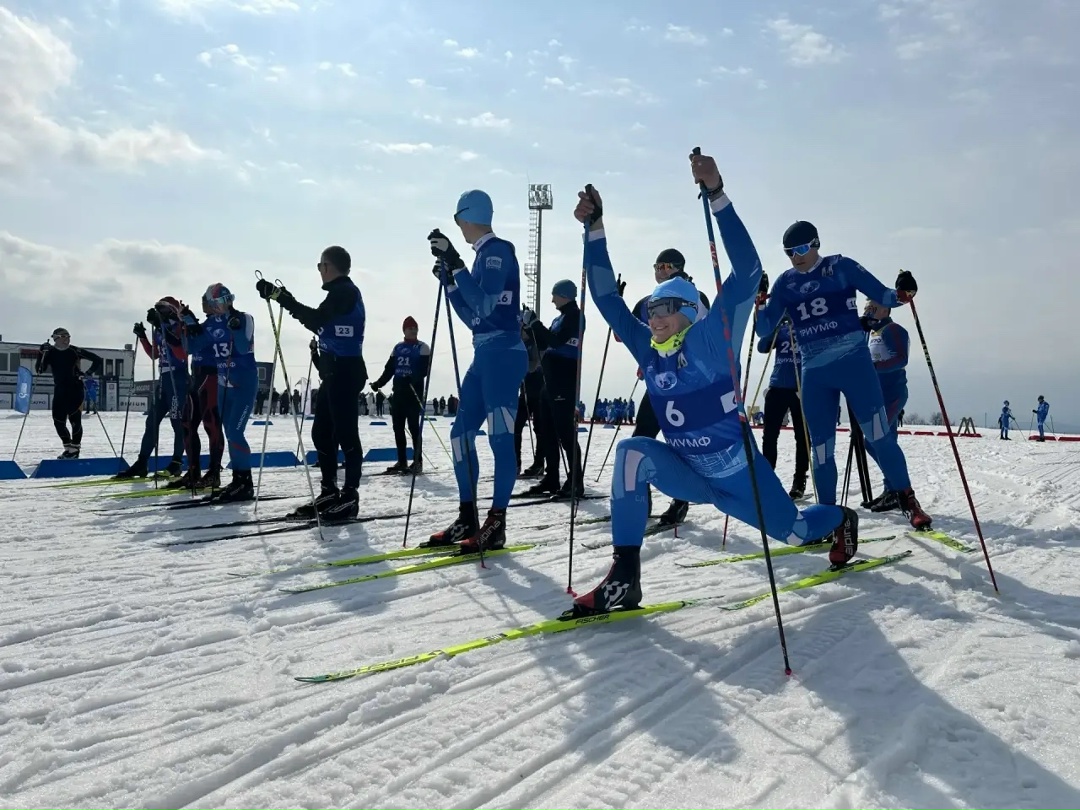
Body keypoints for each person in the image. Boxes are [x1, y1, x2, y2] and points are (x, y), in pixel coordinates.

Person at [567, 155, 862, 616]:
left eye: (665, 309)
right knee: (632, 453)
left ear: (690, 312)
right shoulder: (649, 349)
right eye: (651, 311)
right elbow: (606, 298)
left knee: (796, 532)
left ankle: (842, 518)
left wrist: (717, 193)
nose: (654, 318)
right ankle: (625, 578)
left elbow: (747, 272)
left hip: (739, 477)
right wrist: (595, 229)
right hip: (691, 472)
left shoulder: (712, 338)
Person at [755, 221, 931, 530]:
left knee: (879, 436)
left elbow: (884, 295)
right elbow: (763, 328)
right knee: (821, 449)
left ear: (815, 244)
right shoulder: (785, 283)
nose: (796, 257)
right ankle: (828, 517)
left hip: (855, 366)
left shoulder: (840, 267)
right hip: (814, 374)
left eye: (801, 249)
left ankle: (907, 499)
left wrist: (905, 292)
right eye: (789, 252)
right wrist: (758, 301)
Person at [426, 189, 528, 552]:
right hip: (484, 353)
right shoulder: (481, 257)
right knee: (460, 435)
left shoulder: (497, 251)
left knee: (500, 439)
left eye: (458, 220)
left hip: (504, 354)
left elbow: (484, 305)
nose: (458, 227)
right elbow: (473, 318)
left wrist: (456, 265)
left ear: (467, 217)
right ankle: (467, 515)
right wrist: (451, 284)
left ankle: (496, 522)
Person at [256, 246, 367, 522]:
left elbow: (316, 319)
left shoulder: (345, 292)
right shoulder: (339, 293)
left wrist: (282, 298)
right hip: (333, 372)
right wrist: (284, 299)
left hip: (345, 372)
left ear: (328, 267)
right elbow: (319, 321)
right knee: (322, 433)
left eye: (320, 266)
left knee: (346, 435)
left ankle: (350, 496)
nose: (319, 271)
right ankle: (329, 491)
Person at [625, 248, 712, 527]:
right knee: (641, 437)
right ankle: (640, 500)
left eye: (665, 266)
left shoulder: (697, 297)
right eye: (657, 266)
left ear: (679, 267)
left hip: (688, 386)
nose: (660, 271)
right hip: (659, 384)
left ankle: (680, 501)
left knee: (683, 445)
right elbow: (624, 334)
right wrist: (619, 305)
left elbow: (708, 337)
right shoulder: (649, 301)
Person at [181, 284, 258, 501]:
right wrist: (188, 324)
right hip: (224, 384)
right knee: (229, 432)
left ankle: (245, 482)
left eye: (226, 300)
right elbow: (190, 348)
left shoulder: (244, 318)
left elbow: (242, 347)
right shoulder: (211, 324)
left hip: (243, 383)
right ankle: (237, 480)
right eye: (218, 302)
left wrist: (235, 328)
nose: (223, 306)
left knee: (235, 431)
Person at [519, 279, 585, 497]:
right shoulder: (560, 318)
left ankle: (575, 481)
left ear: (564, 295)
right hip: (550, 379)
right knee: (546, 430)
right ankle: (551, 477)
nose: (552, 300)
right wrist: (529, 326)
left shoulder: (575, 315)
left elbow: (557, 341)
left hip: (564, 378)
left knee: (565, 432)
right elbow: (545, 343)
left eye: (554, 295)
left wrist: (536, 323)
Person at [115, 298, 189, 479]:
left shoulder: (180, 326)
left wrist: (163, 330)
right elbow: (154, 354)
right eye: (157, 310)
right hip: (163, 379)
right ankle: (142, 463)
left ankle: (177, 463)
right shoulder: (159, 328)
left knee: (177, 422)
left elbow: (181, 353)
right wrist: (142, 336)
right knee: (152, 421)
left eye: (162, 310)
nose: (159, 313)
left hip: (178, 378)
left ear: (172, 310)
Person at [168, 293, 225, 490]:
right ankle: (193, 471)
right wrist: (171, 328)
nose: (203, 304)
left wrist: (190, 320)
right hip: (197, 376)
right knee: (187, 423)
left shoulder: (218, 323)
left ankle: (214, 473)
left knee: (211, 424)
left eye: (205, 301)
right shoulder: (205, 323)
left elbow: (204, 338)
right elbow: (186, 347)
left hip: (212, 375)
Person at [859, 299, 909, 512]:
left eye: (874, 307)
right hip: (875, 395)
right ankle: (892, 489)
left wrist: (873, 367)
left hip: (892, 393)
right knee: (882, 441)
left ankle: (898, 488)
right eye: (866, 307)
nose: (869, 310)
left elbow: (901, 359)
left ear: (886, 309)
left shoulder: (892, 329)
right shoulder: (870, 333)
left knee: (875, 440)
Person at [757, 317, 809, 499]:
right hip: (777, 386)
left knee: (802, 437)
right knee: (769, 436)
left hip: (801, 388)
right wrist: (775, 325)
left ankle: (799, 480)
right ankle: (767, 479)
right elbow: (762, 347)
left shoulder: (809, 325)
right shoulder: (782, 328)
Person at [371, 315, 430, 474]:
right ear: (404, 330)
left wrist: (413, 378)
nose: (413, 330)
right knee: (398, 428)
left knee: (414, 428)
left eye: (415, 328)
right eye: (410, 328)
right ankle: (402, 461)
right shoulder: (397, 348)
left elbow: (425, 369)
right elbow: (389, 369)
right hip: (398, 393)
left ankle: (417, 462)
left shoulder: (422, 347)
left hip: (413, 393)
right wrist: (379, 383)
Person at [35, 328, 104, 459]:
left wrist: (88, 373)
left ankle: (75, 450)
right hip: (60, 390)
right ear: (55, 338)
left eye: (68, 336)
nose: (67, 339)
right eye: (63, 336)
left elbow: (97, 360)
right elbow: (39, 370)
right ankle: (68, 448)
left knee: (75, 420)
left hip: (75, 389)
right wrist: (41, 353)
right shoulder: (50, 352)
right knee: (58, 422)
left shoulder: (74, 350)